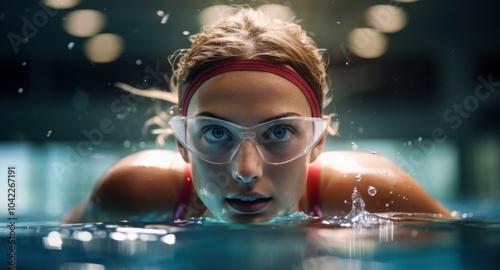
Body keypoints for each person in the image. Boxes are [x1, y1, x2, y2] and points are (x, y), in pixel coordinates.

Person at [63, 7, 452, 224]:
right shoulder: (133, 191)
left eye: (279, 132)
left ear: (318, 143)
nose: (245, 170)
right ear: (183, 145)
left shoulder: (371, 194)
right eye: (215, 132)